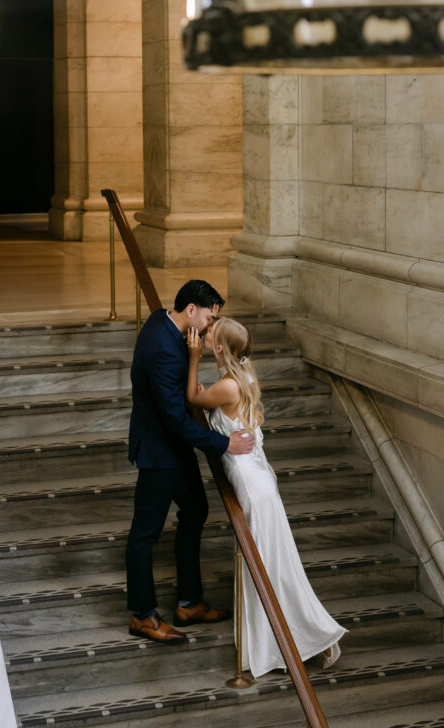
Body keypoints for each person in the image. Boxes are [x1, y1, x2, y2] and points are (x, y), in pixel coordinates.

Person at [186, 315, 345, 677]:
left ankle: (317, 636)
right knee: (274, 564)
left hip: (252, 488)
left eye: (211, 333)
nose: (206, 332)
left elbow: (193, 397)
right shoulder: (244, 377)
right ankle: (292, 640)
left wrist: (193, 357)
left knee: (270, 567)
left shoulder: (229, 386)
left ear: (221, 346)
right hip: (257, 483)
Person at [125, 280, 255, 645]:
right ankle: (142, 614)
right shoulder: (165, 348)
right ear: (191, 311)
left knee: (196, 510)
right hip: (160, 449)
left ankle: (189, 602)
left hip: (175, 447)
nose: (212, 324)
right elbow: (176, 419)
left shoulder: (159, 321)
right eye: (210, 317)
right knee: (144, 534)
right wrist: (223, 443)